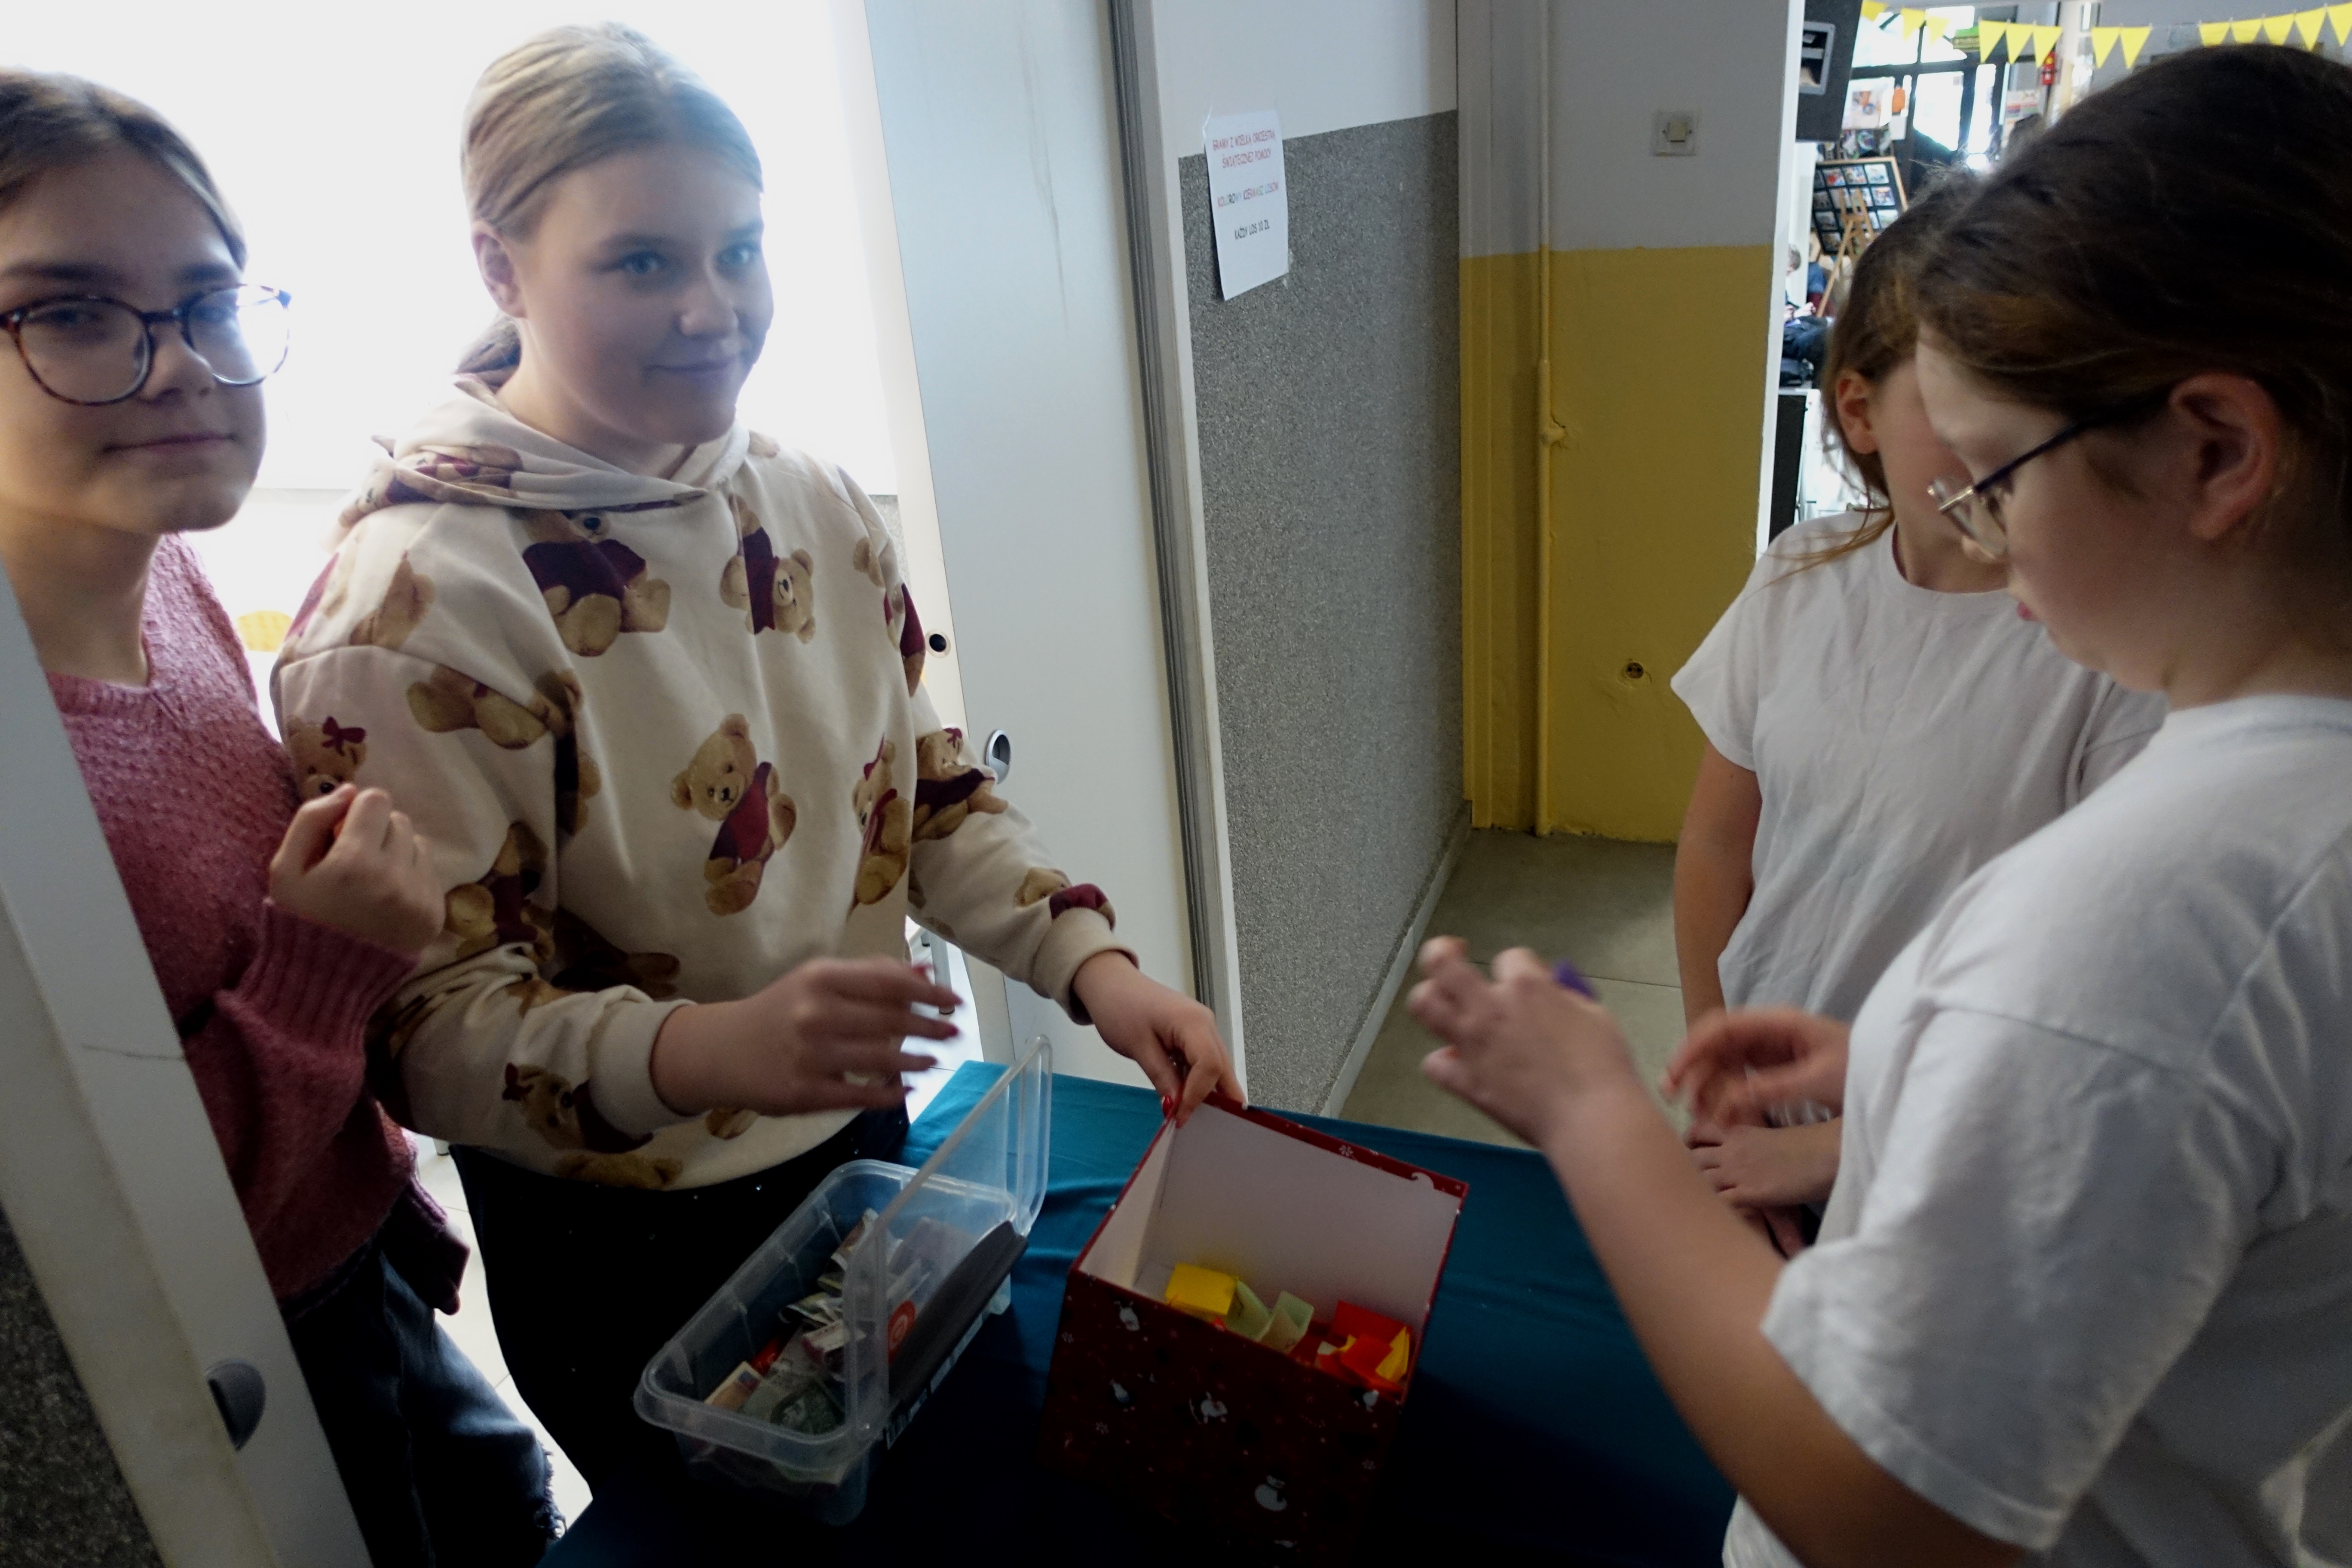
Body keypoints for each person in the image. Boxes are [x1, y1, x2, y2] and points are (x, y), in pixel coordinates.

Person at [1411, 43, 2352, 1568]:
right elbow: (2181, 1137)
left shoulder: (2156, 910)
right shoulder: (2286, 824)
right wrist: (1919, 1062)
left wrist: (1593, 1115)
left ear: (2217, 452)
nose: (1985, 531)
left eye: (2003, 475)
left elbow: (1881, 1504)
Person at [272, 23, 1240, 1492]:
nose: (711, 307)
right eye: (641, 262)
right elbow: (428, 1031)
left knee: (915, 1478)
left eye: (740, 251)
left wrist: (1094, 967)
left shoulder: (814, 502)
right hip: (625, 1227)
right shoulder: (419, 612)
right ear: (499, 268)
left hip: (857, 1140)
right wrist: (707, 1050)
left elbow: (924, 793)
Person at [0, 72, 557, 1565]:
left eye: (207, 302)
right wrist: (329, 961)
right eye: (71, 312)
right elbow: (100, 1263)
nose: (182, 365)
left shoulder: (167, 579)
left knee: (507, 1509)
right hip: (238, 1369)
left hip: (359, 1256)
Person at [1670, 174, 2161, 1250]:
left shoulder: (2103, 654)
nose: (2015, 452)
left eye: (2052, 406)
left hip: (1946, 1159)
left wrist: (1837, 1151)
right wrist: (1720, 1076)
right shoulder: (1800, 575)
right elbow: (1716, 842)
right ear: (1861, 411)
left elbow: (2093, 1002)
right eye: (1967, 409)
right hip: (1762, 1122)